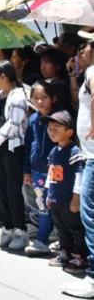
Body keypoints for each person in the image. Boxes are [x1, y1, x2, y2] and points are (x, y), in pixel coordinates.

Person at [0, 60, 30, 252]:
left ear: (3, 77)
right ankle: (7, 227)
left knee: (13, 190)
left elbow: (13, 124)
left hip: (11, 149)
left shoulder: (18, 95)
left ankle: (20, 231)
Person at [63, 35, 94, 298]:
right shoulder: (87, 74)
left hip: (93, 154)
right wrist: (74, 74)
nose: (81, 51)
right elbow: (78, 100)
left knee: (89, 213)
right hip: (89, 153)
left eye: (85, 47)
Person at [43, 110, 88, 273]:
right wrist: (48, 193)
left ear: (69, 132)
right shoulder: (53, 151)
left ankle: (80, 256)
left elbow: (79, 175)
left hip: (69, 200)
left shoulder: (75, 151)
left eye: (56, 128)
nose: (51, 131)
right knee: (61, 228)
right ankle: (65, 252)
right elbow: (51, 173)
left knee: (75, 228)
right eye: (50, 128)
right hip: (56, 199)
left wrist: (76, 198)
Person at [22, 80, 58, 257]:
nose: (40, 101)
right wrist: (26, 170)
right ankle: (42, 240)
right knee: (43, 205)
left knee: (57, 206)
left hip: (56, 171)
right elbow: (28, 145)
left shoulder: (59, 118)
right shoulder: (33, 119)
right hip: (37, 171)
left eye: (44, 97)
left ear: (53, 98)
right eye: (36, 98)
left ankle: (57, 239)